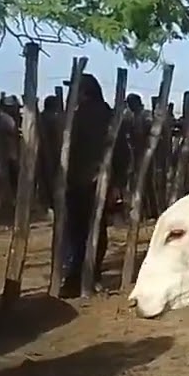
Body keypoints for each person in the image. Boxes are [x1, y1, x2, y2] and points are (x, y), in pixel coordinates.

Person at [60, 72, 130, 297]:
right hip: (98, 182)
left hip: (80, 183)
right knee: (95, 231)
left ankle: (77, 277)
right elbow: (123, 153)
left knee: (78, 232)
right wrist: (118, 182)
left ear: (84, 92)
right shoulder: (110, 115)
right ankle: (90, 274)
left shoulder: (78, 117)